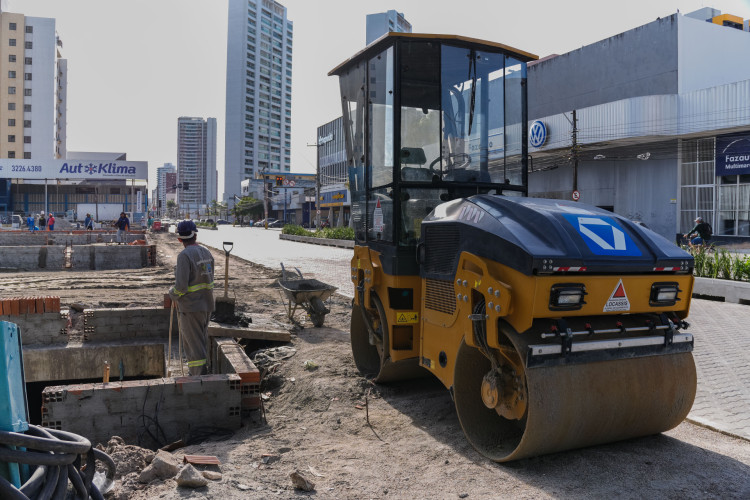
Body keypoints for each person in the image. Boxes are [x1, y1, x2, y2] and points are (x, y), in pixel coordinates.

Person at [168, 220, 215, 376]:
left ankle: (197, 378)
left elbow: (181, 287)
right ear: (195, 234)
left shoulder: (184, 256)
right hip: (207, 305)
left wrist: (171, 293)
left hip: (191, 307)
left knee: (194, 347)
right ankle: (203, 374)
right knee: (201, 341)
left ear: (179, 239)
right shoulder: (207, 252)